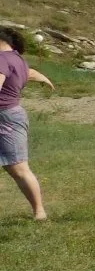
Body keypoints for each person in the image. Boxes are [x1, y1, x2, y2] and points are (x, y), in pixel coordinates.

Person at [0, 28, 55, 220]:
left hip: (5, 117)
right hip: (12, 115)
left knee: (19, 169)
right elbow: (28, 72)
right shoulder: (17, 59)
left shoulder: (1, 58)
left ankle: (39, 212)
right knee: (17, 168)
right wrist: (44, 79)